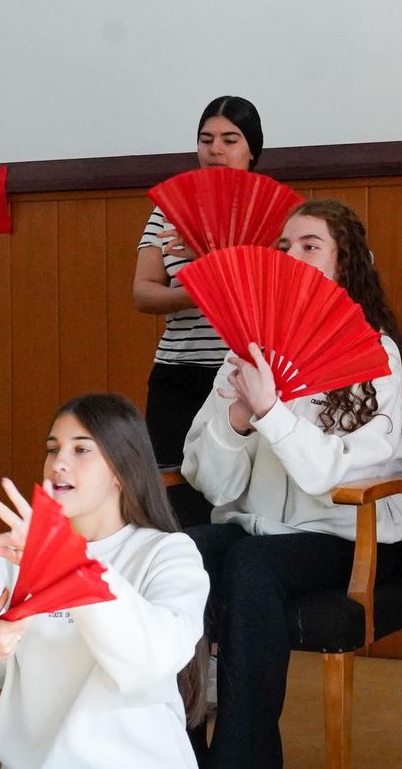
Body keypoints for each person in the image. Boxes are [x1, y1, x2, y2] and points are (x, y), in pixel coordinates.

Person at [179, 199, 402, 769]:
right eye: (284, 246)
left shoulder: (377, 354)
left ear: (346, 265)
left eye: (311, 246)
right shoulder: (245, 351)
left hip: (340, 533)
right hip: (253, 527)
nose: (292, 256)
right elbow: (212, 484)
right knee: (177, 554)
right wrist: (237, 421)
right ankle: (178, 752)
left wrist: (273, 414)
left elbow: (326, 476)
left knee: (252, 566)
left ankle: (243, 758)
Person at [0, 393, 209, 768]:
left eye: (81, 450)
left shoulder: (168, 553)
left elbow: (152, 661)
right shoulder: (9, 566)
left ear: (122, 469)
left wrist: (68, 563)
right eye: (52, 448)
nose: (58, 463)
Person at [133, 95, 265, 527]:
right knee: (172, 497)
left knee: (235, 491)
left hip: (244, 375)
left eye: (230, 139)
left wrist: (214, 260)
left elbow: (267, 292)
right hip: (176, 370)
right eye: (206, 140)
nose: (215, 150)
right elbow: (143, 293)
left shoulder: (271, 213)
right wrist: (201, 288)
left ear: (252, 150)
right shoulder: (169, 210)